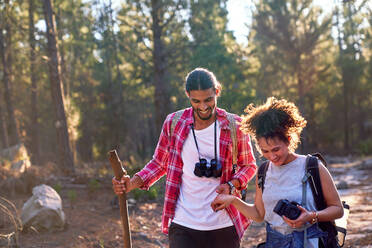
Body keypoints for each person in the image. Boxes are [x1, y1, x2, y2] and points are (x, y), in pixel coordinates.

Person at [112, 68, 257, 248]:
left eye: (208, 100)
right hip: (184, 222)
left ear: (217, 91)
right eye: (196, 101)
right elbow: (159, 163)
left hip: (224, 223)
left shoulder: (235, 125)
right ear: (187, 95)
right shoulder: (174, 122)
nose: (203, 107)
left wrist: (230, 185)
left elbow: (249, 166)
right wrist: (131, 183)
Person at [211, 97, 344, 248]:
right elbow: (259, 214)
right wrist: (233, 200)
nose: (272, 156)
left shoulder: (313, 167)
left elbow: (338, 209)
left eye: (276, 149)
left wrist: (311, 216)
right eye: (265, 151)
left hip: (312, 243)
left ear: (288, 140)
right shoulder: (263, 172)